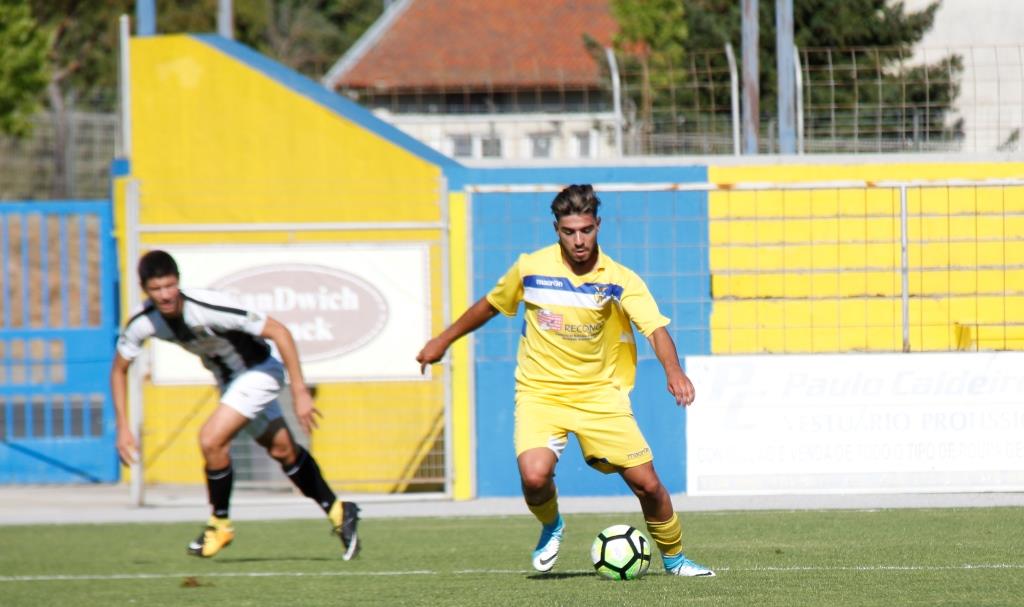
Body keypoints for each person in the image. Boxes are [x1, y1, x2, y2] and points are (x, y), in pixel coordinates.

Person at [416, 184, 714, 577]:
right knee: (534, 475)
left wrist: (674, 371)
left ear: (598, 226)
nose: (579, 241)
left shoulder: (619, 278)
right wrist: (443, 340)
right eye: (569, 231)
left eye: (586, 230)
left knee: (649, 486)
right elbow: (490, 304)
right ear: (556, 228)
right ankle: (552, 525)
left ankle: (675, 560)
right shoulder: (531, 268)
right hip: (541, 393)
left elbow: (655, 329)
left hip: (599, 395)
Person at [111, 250, 360, 560]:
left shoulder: (208, 307)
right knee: (283, 450)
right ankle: (340, 511)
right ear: (145, 290)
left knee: (210, 439)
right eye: (156, 289)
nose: (165, 295)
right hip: (230, 383)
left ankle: (219, 523)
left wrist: (300, 392)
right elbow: (119, 369)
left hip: (260, 372)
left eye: (170, 286)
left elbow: (280, 332)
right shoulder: (142, 322)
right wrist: (123, 427)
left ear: (179, 283)